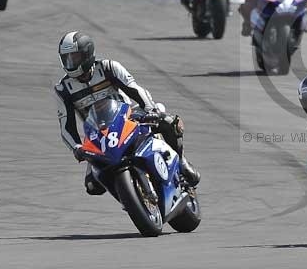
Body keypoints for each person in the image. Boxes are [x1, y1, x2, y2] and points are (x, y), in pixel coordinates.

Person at [53, 31, 200, 195]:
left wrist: (150, 110)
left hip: (128, 117)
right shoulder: (63, 89)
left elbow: (135, 89)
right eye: (66, 58)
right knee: (93, 186)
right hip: (98, 136)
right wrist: (77, 147)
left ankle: (181, 162)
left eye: (74, 58)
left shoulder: (109, 67)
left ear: (87, 54)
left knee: (168, 122)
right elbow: (66, 126)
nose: (70, 63)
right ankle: (130, 197)